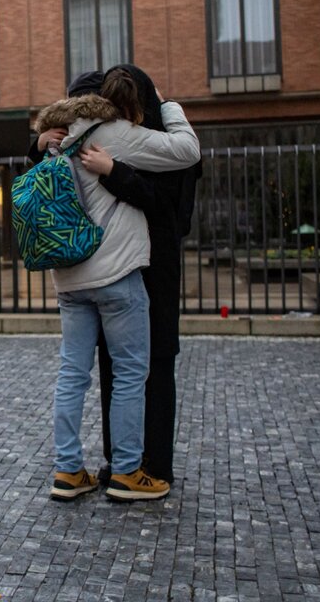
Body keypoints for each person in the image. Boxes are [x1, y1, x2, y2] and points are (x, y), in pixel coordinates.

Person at [34, 69, 200, 502]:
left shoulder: (55, 136)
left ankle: (68, 471)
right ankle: (128, 472)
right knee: (130, 372)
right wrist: (169, 106)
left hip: (68, 278)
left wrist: (37, 143)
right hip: (115, 274)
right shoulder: (118, 134)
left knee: (72, 374)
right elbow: (187, 151)